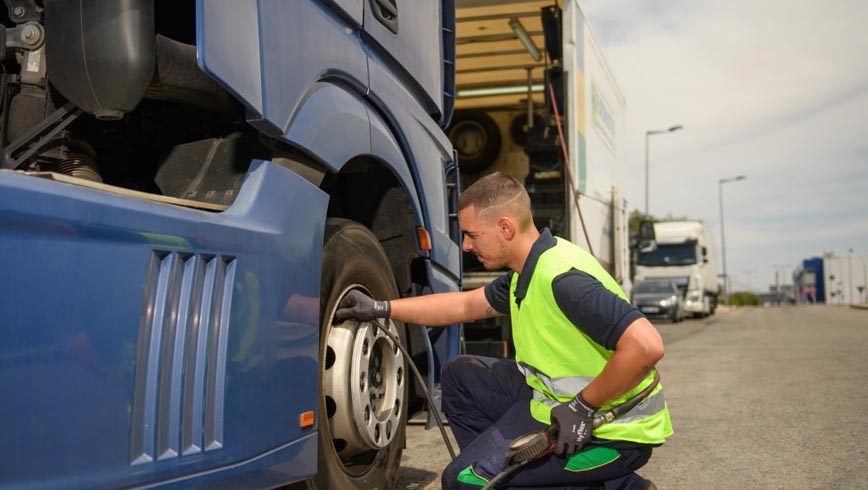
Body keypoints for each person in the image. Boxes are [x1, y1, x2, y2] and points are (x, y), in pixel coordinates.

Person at [335, 172, 672, 489]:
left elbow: (646, 346)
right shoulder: (524, 273)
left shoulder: (563, 280)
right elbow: (464, 306)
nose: (466, 246)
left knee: (462, 481)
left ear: (505, 228)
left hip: (612, 429)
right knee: (459, 375)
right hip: (551, 403)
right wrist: (382, 308)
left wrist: (583, 406)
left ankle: (619, 484)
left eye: (472, 234)